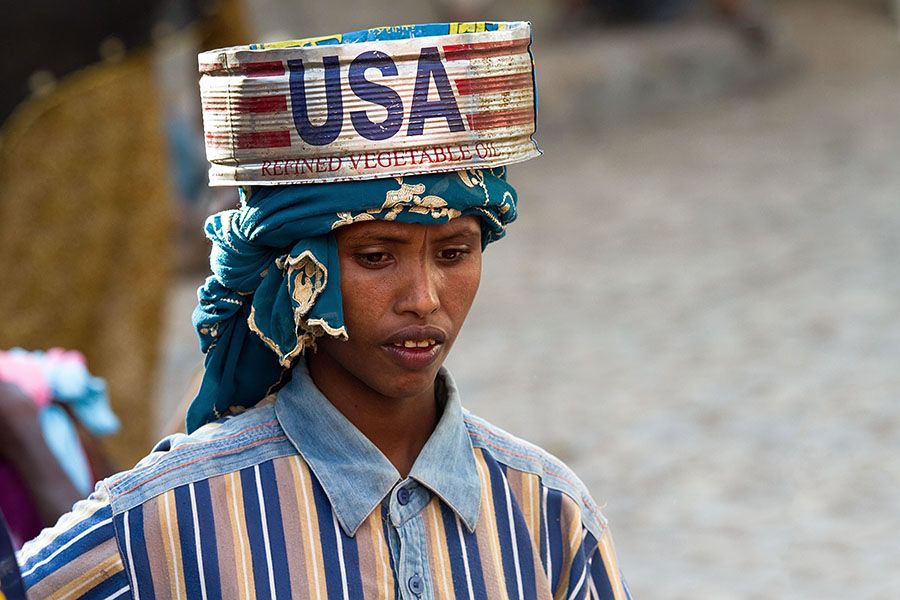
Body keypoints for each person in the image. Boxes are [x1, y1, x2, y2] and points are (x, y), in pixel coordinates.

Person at [17, 22, 632, 599]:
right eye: (374, 256)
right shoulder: (165, 523)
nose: (423, 298)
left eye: (453, 253)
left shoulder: (551, 517)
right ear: (298, 276)